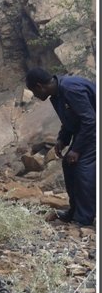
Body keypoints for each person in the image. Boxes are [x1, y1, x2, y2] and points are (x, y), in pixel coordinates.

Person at [25, 67, 96, 227]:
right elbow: (70, 121)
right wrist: (62, 140)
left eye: (34, 92)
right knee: (69, 164)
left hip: (93, 128)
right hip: (88, 130)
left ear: (39, 86)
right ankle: (75, 211)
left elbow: (90, 120)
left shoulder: (70, 88)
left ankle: (84, 218)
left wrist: (76, 149)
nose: (35, 96)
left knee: (83, 168)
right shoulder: (56, 94)